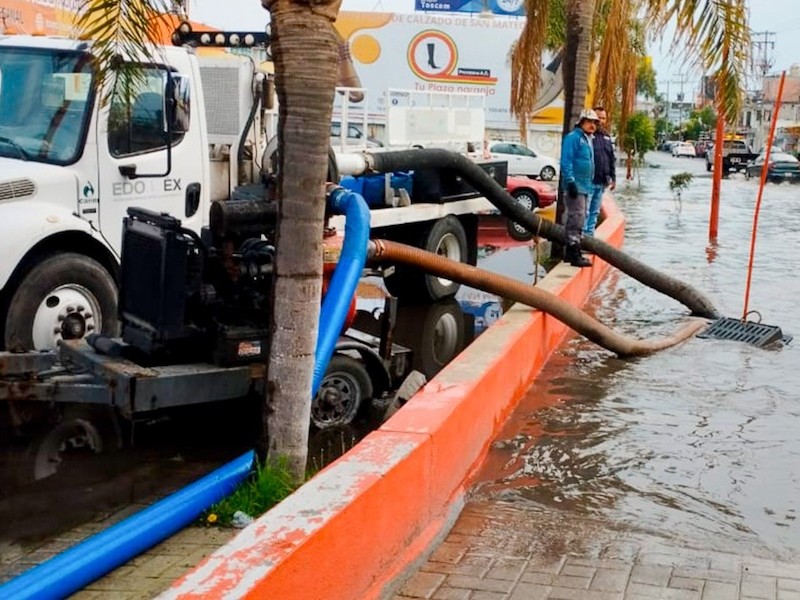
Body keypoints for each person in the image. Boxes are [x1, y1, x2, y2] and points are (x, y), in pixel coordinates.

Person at [559, 108, 599, 268]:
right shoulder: (573, 138)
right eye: (589, 122)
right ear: (581, 121)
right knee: (577, 217)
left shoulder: (587, 139)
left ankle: (571, 251)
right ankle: (574, 253)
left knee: (580, 217)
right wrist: (570, 182)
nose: (592, 125)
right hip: (576, 186)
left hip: (585, 185)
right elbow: (566, 161)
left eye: (595, 123)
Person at [584, 106, 616, 237]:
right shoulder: (586, 136)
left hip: (602, 181)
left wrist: (613, 178)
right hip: (588, 180)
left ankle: (589, 239)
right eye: (599, 118)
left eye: (603, 118)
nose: (601, 121)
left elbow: (611, 158)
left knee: (594, 212)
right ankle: (581, 239)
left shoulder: (606, 137)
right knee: (584, 211)